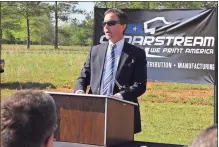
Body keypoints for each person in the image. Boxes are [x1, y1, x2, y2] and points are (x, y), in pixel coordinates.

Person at [74, 8, 147, 134]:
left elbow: (140, 86)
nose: (106, 26)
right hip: (95, 111)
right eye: (104, 23)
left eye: (111, 23)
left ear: (123, 26)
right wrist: (79, 91)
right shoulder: (95, 51)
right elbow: (83, 77)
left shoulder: (136, 53)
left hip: (122, 113)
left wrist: (119, 97)